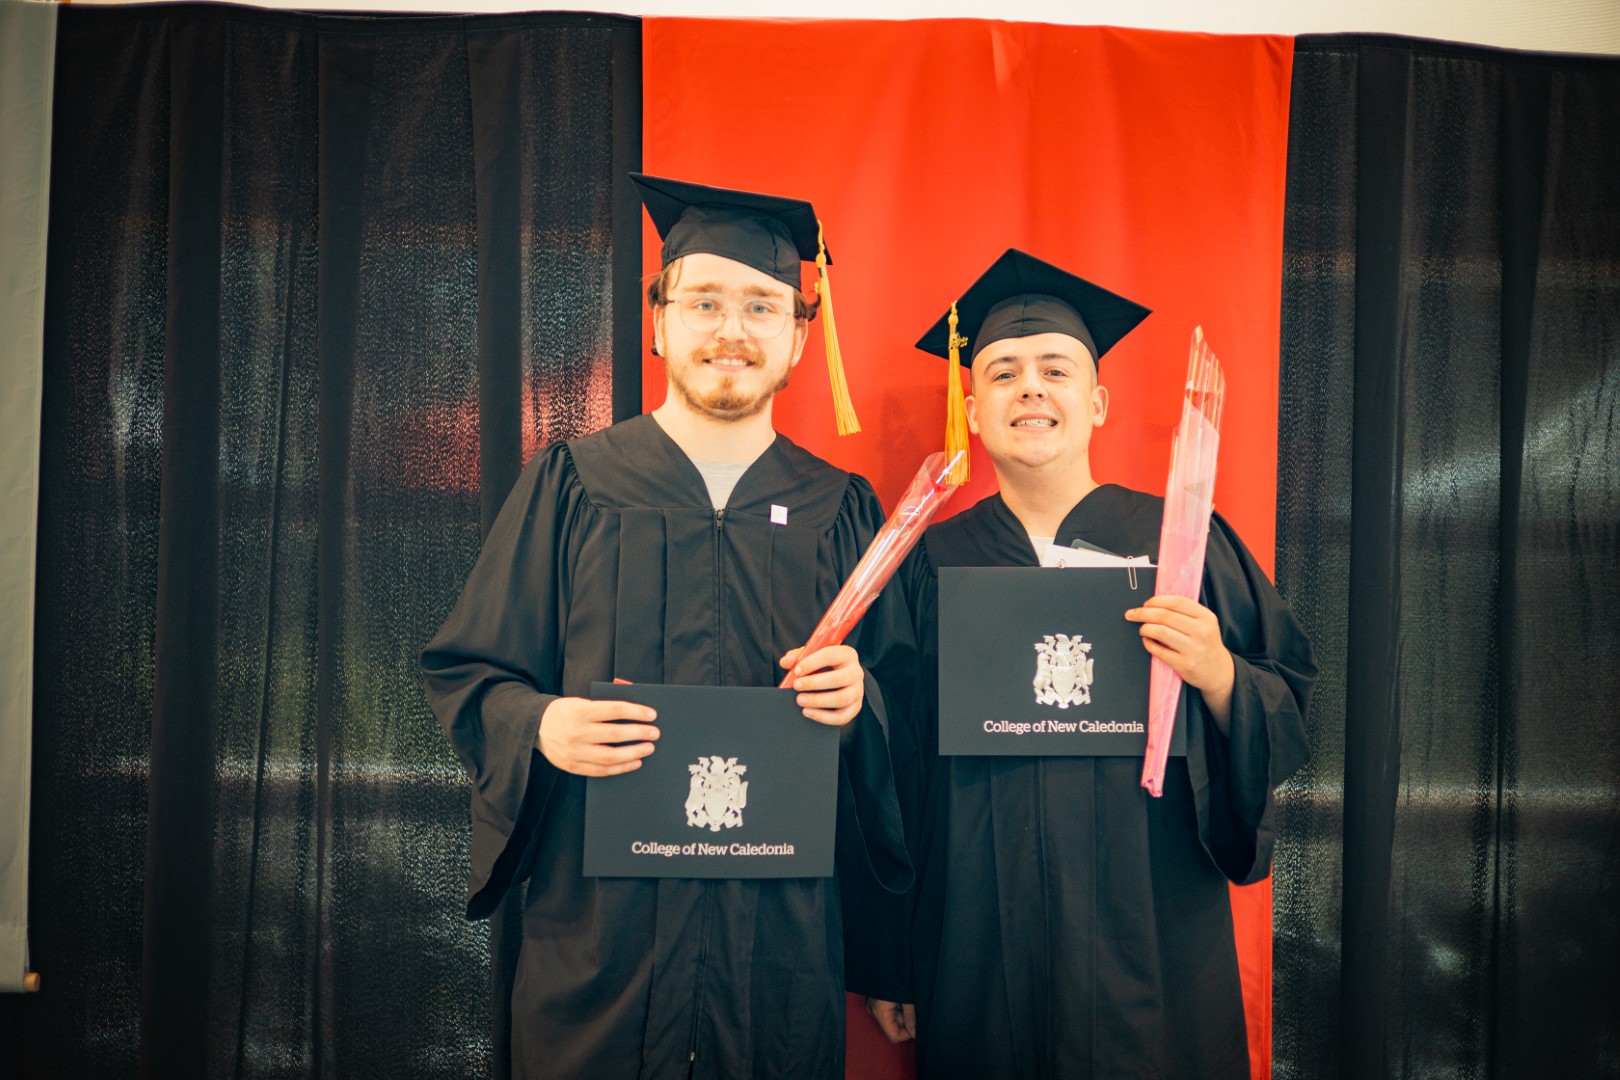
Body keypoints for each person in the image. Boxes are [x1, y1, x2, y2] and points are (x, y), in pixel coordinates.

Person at [421, 174, 912, 1080]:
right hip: (599, 942)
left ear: (799, 337)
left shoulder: (840, 510)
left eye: (762, 306)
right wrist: (541, 726)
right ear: (658, 321)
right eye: (705, 302)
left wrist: (862, 703)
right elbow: (469, 673)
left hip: (778, 951)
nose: (733, 330)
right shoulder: (574, 485)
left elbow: (901, 714)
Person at [861, 248, 1316, 1079]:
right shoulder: (933, 563)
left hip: (1149, 923)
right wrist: (896, 955)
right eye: (1003, 373)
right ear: (974, 409)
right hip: (978, 934)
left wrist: (1218, 673)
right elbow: (897, 765)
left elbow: (1285, 699)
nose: (1030, 388)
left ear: (1097, 402)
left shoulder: (1182, 541)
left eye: (1055, 369)